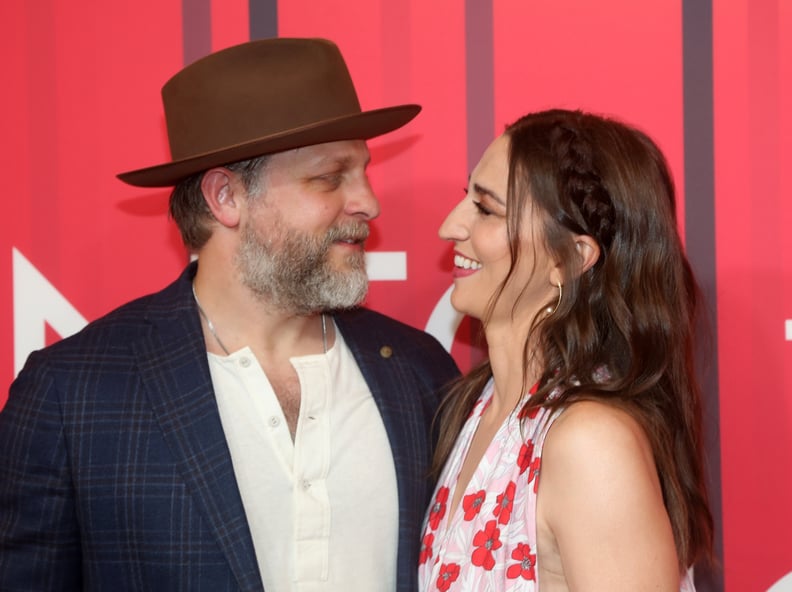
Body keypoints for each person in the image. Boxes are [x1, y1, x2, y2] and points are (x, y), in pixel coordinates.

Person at [0, 38, 459, 591]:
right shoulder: (73, 392)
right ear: (226, 198)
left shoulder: (419, 372)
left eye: (363, 171)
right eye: (330, 176)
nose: (368, 201)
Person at [418, 109, 713, 590]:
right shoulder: (476, 411)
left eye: (487, 209)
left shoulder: (590, 444)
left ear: (571, 259)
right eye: (465, 197)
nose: (450, 226)